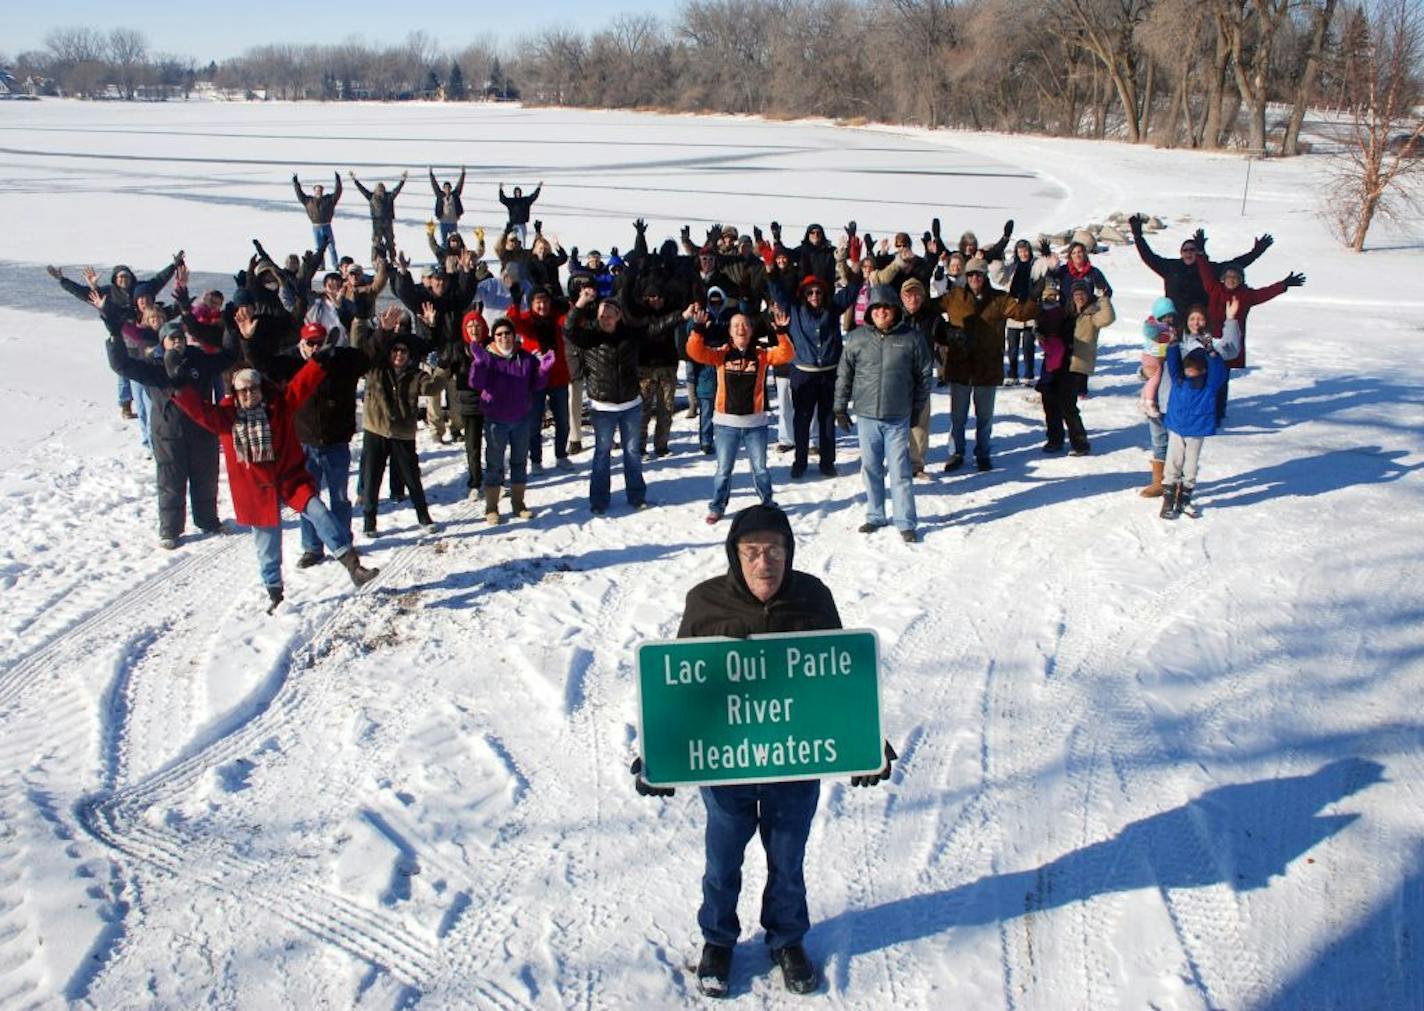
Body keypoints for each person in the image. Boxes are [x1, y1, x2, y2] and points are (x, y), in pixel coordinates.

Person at [637, 503, 891, 998]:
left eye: (774, 550)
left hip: (797, 760)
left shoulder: (813, 597)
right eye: (751, 552)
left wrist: (866, 742)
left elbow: (839, 676)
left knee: (788, 856)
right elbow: (680, 683)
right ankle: (718, 940)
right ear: (735, 556)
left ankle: (787, 938)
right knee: (723, 856)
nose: (763, 563)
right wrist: (659, 753)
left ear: (788, 552)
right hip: (726, 765)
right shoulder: (706, 601)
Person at [171, 362, 377, 613]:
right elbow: (199, 411)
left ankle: (352, 566)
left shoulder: (279, 406)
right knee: (267, 545)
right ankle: (275, 594)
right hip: (257, 490)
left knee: (320, 512)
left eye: (253, 389)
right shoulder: (226, 418)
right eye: (243, 391)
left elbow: (302, 385)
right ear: (235, 394)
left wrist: (320, 361)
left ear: (261, 389)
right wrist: (181, 388)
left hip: (290, 479)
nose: (249, 395)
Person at [104, 320, 227, 549]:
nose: (177, 341)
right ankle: (170, 530)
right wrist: (114, 336)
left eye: (180, 336)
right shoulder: (154, 367)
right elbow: (121, 365)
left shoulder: (200, 361)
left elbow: (227, 357)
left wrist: (229, 327)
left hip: (202, 431)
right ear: (163, 342)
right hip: (168, 433)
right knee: (171, 481)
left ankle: (208, 520)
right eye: (172, 338)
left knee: (206, 478)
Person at [834, 285, 932, 541]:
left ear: (895, 310)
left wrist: (916, 410)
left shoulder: (912, 338)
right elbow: (845, 374)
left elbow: (923, 377)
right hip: (867, 416)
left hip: (897, 416)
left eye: (886, 307)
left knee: (900, 471)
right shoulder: (857, 338)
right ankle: (876, 515)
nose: (881, 312)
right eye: (876, 308)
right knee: (871, 468)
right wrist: (840, 407)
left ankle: (905, 520)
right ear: (869, 312)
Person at [686, 308, 795, 522]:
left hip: (756, 423)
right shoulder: (722, 354)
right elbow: (695, 352)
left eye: (744, 324)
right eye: (736, 325)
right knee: (724, 470)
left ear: (751, 330)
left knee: (761, 469)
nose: (740, 328)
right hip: (726, 424)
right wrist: (698, 330)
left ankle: (767, 503)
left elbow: (787, 354)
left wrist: (781, 331)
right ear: (730, 331)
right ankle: (717, 506)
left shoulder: (761, 354)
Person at [354, 309, 439, 537]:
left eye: (404, 351)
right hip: (376, 430)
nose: (399, 354)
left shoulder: (415, 374)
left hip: (403, 433)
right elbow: (363, 348)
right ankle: (369, 522)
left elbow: (432, 388)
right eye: (395, 350)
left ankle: (424, 516)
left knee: (412, 478)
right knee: (372, 479)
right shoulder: (375, 369)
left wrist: (440, 369)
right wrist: (383, 330)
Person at [563, 287, 648, 515]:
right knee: (602, 453)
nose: (605, 319)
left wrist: (683, 316)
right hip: (602, 407)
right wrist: (580, 303)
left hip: (630, 404)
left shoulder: (629, 335)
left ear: (619, 316)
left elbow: (657, 327)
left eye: (610, 315)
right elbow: (569, 330)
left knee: (632, 453)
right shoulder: (589, 336)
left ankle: (636, 496)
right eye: (602, 315)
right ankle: (599, 500)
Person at [768, 273, 862, 479]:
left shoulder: (833, 308)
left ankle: (827, 462)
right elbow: (777, 292)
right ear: (803, 294)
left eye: (818, 292)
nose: (814, 295)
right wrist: (771, 269)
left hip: (829, 373)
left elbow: (851, 291)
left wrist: (855, 268)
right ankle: (800, 462)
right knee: (802, 419)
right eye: (809, 292)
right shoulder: (794, 308)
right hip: (803, 373)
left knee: (827, 418)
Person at [1195, 254, 1305, 422]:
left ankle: (1217, 414)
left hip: (1228, 346)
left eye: (1236, 277)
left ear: (1241, 280)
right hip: (1208, 343)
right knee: (1203, 377)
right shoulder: (1214, 289)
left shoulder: (1245, 295)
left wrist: (1283, 285)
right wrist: (1201, 255)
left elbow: (1265, 293)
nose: (1231, 279)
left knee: (1221, 380)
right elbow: (1205, 273)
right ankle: (1203, 409)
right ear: (1223, 278)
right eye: (1228, 276)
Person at [467, 316, 555, 524]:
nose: (504, 337)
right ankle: (491, 507)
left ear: (514, 336)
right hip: (495, 420)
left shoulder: (525, 358)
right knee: (494, 464)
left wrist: (543, 370)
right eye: (499, 334)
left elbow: (536, 385)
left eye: (508, 333)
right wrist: (478, 365)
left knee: (519, 461)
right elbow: (476, 383)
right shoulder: (487, 358)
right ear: (494, 337)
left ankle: (518, 504)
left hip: (521, 418)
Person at [1160, 310, 1233, 520]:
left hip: (1196, 431)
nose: (1190, 371)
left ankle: (1185, 496)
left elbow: (1219, 372)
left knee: (1190, 466)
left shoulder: (1209, 387)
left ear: (1202, 371)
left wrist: (1210, 351)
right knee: (1173, 462)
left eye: (1195, 369)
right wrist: (1173, 343)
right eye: (1188, 368)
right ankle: (1168, 495)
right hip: (1176, 427)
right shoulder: (1179, 381)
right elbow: (1172, 363)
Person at [941, 258, 1011, 472]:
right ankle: (956, 452)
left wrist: (1033, 296)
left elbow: (1022, 311)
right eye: (970, 275)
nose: (974, 279)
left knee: (985, 417)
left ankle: (983, 452)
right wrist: (944, 332)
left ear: (985, 276)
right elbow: (928, 308)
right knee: (958, 416)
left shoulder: (999, 299)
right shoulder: (955, 297)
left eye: (978, 274)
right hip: (960, 365)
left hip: (987, 366)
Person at [1055, 280, 1115, 456]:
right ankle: (1057, 439)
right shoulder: (1068, 313)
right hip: (1062, 362)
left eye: (1082, 294)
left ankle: (1080, 443)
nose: (1079, 297)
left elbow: (1108, 318)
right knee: (1058, 402)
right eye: (1076, 294)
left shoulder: (1092, 314)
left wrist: (1104, 299)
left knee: (1068, 405)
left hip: (1078, 365)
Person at [350, 171, 407, 265]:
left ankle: (393, 259)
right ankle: (374, 259)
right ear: (376, 190)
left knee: (390, 241)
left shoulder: (389, 196)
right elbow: (362, 190)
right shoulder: (371, 196)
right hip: (377, 222)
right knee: (376, 241)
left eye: (382, 188)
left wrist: (402, 180)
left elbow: (397, 190)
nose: (381, 190)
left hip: (388, 221)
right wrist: (355, 180)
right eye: (379, 189)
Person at [293, 172, 342, 269]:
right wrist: (296, 183)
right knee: (319, 248)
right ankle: (320, 265)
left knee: (331, 247)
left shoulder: (329, 200)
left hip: (327, 226)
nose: (318, 192)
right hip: (316, 227)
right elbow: (300, 195)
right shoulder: (308, 201)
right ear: (314, 191)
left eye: (320, 190)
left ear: (322, 191)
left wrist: (338, 181)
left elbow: (338, 192)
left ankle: (335, 264)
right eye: (317, 190)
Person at [429, 166, 466, 244]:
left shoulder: (455, 196)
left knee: (454, 241)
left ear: (451, 188)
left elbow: (460, 185)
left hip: (453, 222)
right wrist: (431, 174)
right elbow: (434, 185)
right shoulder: (440, 196)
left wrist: (463, 173)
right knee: (444, 242)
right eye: (445, 188)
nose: (447, 190)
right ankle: (444, 255)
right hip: (443, 222)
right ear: (443, 189)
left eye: (449, 188)